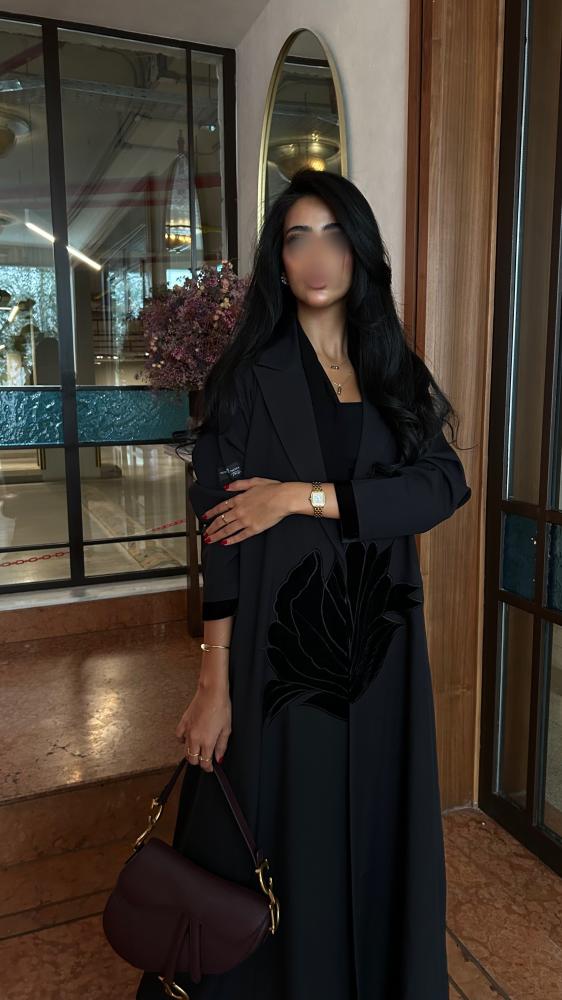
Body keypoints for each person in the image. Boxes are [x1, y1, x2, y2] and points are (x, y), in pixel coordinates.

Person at [136, 167, 472, 1000]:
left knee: (377, 825)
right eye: (297, 239)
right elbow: (224, 542)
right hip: (279, 654)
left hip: (381, 650)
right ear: (279, 262)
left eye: (332, 235)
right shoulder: (249, 376)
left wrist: (300, 497)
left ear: (358, 252)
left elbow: (442, 484)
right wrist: (212, 680)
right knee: (283, 835)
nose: (317, 256)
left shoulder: (392, 370)